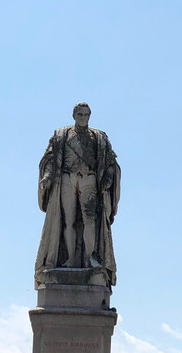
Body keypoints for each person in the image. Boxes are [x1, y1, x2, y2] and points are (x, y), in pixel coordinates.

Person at [34, 102, 121, 287]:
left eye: (86, 115)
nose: (83, 118)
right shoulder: (61, 135)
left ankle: (91, 258)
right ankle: (70, 260)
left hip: (89, 179)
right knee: (68, 221)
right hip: (66, 179)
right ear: (74, 115)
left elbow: (111, 162)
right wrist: (48, 176)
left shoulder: (99, 137)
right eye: (80, 114)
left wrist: (108, 178)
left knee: (90, 220)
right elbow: (50, 158)